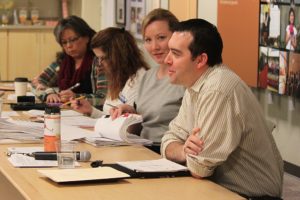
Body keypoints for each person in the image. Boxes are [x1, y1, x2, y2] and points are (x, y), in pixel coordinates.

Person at [161, 18, 283, 199]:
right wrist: (183, 150)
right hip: (217, 189)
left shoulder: (218, 89)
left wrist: (185, 153)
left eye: (176, 54)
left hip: (249, 196)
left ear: (201, 60)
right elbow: (169, 139)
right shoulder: (195, 83)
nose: (166, 60)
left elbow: (199, 169)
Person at [110, 9, 185, 153]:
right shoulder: (147, 76)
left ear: (176, 37)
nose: (154, 47)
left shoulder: (185, 79)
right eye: (148, 40)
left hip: (165, 152)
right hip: (139, 147)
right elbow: (144, 121)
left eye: (161, 37)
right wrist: (130, 112)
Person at [70, 27, 149, 117]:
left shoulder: (140, 79)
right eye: (98, 58)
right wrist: (91, 110)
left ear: (117, 56)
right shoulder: (116, 76)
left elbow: (126, 122)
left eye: (103, 58)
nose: (99, 63)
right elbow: (109, 116)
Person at [32, 15, 106, 105]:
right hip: (65, 111)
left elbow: (103, 98)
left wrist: (76, 97)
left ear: (86, 37)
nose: (68, 46)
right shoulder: (62, 62)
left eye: (73, 40)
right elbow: (37, 82)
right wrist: (49, 93)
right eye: (64, 42)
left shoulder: (100, 62)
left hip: (90, 114)